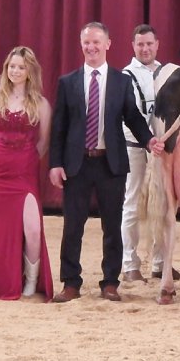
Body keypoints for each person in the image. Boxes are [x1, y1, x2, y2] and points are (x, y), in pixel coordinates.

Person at [48, 22, 163, 303]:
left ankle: (110, 282)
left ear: (108, 44)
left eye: (97, 42)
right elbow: (59, 127)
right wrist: (55, 163)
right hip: (77, 164)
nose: (92, 47)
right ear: (81, 45)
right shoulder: (67, 82)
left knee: (112, 226)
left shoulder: (121, 81)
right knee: (72, 226)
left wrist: (149, 140)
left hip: (110, 164)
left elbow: (133, 117)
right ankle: (71, 282)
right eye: (87, 42)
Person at [120, 24, 180, 283]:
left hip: (162, 149)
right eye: (140, 44)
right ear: (133, 46)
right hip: (135, 147)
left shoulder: (168, 73)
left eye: (149, 44)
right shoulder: (126, 75)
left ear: (157, 44)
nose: (145, 49)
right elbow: (130, 114)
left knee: (164, 203)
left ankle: (160, 263)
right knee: (133, 203)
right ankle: (129, 264)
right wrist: (149, 140)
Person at [0, 46, 55, 301]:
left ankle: (31, 279)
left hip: (24, 174)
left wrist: (23, 158)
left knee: (32, 228)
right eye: (12, 66)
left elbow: (43, 143)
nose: (15, 71)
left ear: (29, 71)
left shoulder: (42, 104)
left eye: (21, 67)